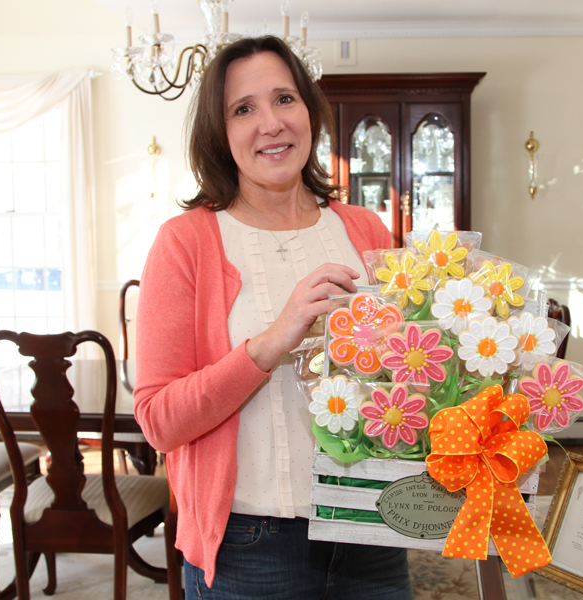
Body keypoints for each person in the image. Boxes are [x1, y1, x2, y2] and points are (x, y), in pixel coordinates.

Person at [133, 36, 413, 600]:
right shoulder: (185, 243)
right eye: (243, 109)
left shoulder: (366, 230)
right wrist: (269, 345)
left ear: (309, 110)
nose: (271, 123)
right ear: (219, 132)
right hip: (248, 546)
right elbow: (159, 420)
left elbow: (406, 380)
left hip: (372, 527)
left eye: (284, 99)